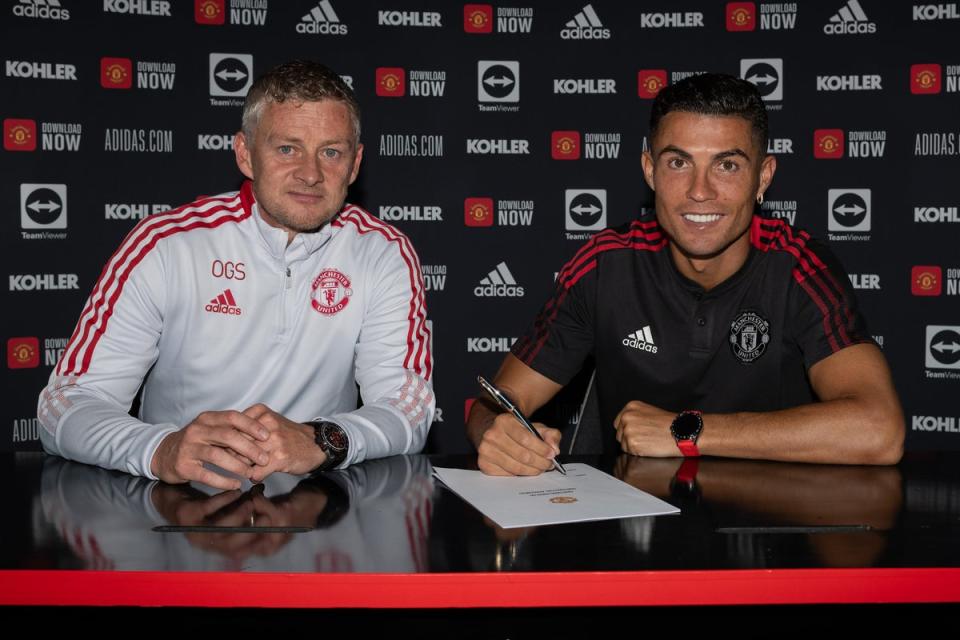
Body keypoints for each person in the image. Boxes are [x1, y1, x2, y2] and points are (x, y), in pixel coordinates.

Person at [467, 73, 903, 476]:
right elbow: (495, 402)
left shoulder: (798, 265)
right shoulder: (604, 264)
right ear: (650, 170)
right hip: (633, 528)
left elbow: (879, 430)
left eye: (727, 165)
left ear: (763, 177)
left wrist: (686, 432)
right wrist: (497, 434)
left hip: (768, 531)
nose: (700, 191)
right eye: (678, 163)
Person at [38, 60, 434, 490]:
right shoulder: (166, 244)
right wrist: (161, 448)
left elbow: (407, 408)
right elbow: (65, 404)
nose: (310, 173)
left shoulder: (383, 252)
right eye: (287, 148)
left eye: (331, 152)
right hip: (176, 513)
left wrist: (323, 438)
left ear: (354, 165)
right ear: (245, 153)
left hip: (319, 515)